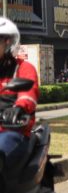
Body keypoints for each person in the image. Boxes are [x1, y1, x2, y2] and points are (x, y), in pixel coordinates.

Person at [0, 18, 39, 184]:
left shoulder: (23, 68)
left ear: (8, 42)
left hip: (12, 131)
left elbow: (29, 93)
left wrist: (19, 108)